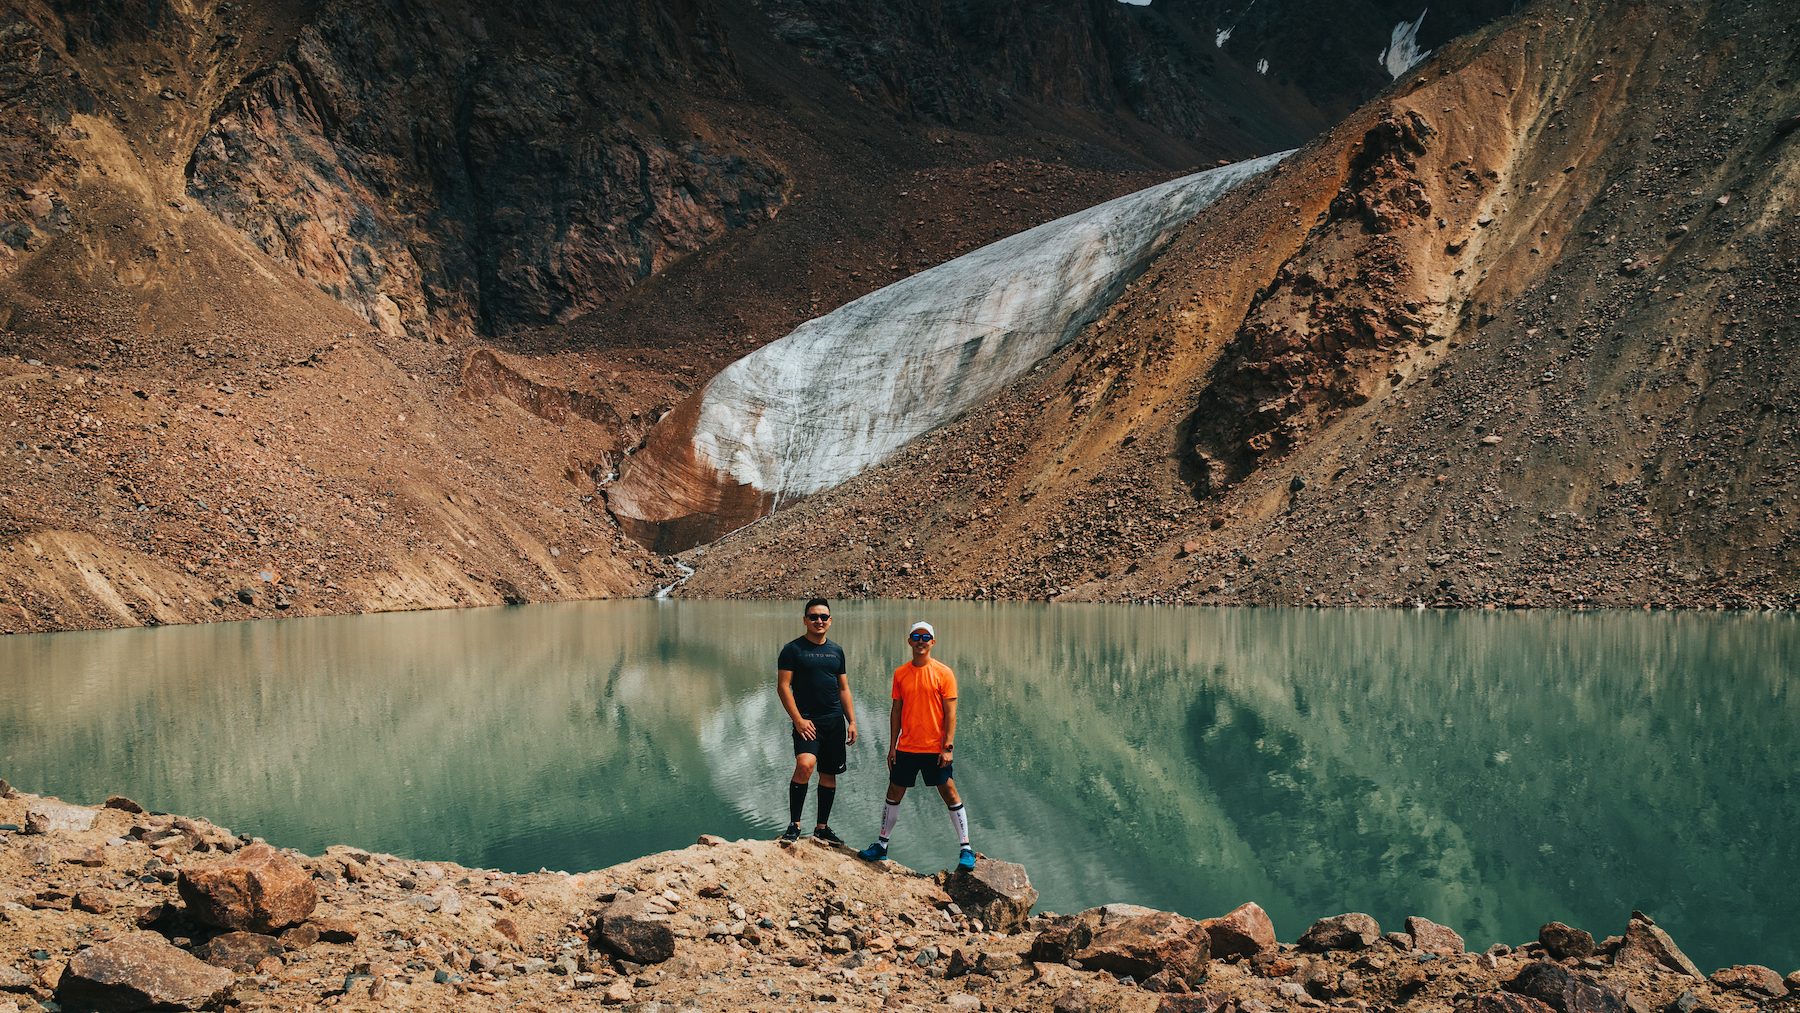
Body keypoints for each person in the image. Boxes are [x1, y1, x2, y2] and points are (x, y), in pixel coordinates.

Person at [858, 620, 975, 872]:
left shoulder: (944, 673)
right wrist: (892, 746)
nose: (920, 641)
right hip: (907, 747)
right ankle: (882, 845)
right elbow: (896, 710)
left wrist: (948, 746)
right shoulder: (901, 673)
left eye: (925, 637)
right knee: (894, 793)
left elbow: (951, 713)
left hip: (935, 748)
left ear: (932, 642)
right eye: (916, 636)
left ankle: (966, 848)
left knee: (949, 793)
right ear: (909, 641)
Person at [776, 598, 857, 845]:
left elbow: (843, 688)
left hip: (834, 721)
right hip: (807, 721)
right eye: (813, 617)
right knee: (805, 765)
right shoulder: (793, 650)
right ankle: (794, 824)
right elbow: (783, 687)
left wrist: (851, 721)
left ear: (830, 621)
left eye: (823, 617)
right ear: (805, 620)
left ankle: (822, 827)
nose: (819, 621)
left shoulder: (836, 650)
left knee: (828, 774)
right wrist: (798, 720)